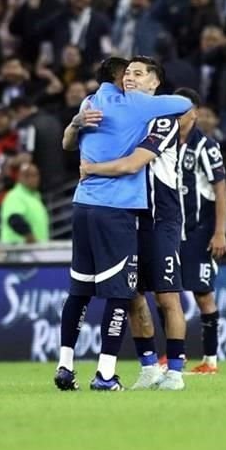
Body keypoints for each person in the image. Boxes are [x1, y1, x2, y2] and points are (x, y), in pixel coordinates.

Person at [54, 57, 192, 392]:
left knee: (167, 297)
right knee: (129, 295)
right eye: (127, 72)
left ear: (154, 83)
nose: (130, 77)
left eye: (138, 73)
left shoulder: (161, 119)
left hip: (161, 217)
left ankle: (174, 370)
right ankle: (148, 367)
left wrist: (91, 170)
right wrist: (76, 124)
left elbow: (134, 163)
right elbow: (72, 139)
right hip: (128, 214)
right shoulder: (115, 108)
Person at [177, 88, 226, 373]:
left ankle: (210, 360)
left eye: (182, 109)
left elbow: (221, 189)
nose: (176, 115)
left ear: (194, 113)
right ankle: (175, 356)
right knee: (165, 291)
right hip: (172, 230)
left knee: (202, 293)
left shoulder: (205, 146)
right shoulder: (166, 144)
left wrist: (220, 231)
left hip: (199, 230)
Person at [0, 162, 50, 244]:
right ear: (20, 177)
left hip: (35, 250)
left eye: (36, 175)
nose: (34, 179)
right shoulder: (15, 195)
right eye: (28, 176)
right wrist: (29, 236)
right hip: (18, 250)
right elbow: (14, 219)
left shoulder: (35, 196)